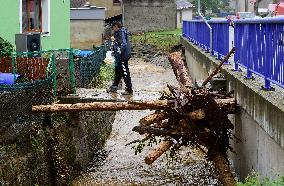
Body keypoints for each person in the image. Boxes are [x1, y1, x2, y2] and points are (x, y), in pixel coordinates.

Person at [107, 22, 133, 95]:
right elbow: (117, 43)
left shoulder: (121, 32)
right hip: (119, 56)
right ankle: (114, 87)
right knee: (118, 71)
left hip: (123, 56)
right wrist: (114, 51)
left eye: (113, 28)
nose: (113, 30)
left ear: (116, 26)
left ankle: (129, 89)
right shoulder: (118, 33)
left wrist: (119, 52)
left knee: (125, 72)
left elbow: (123, 44)